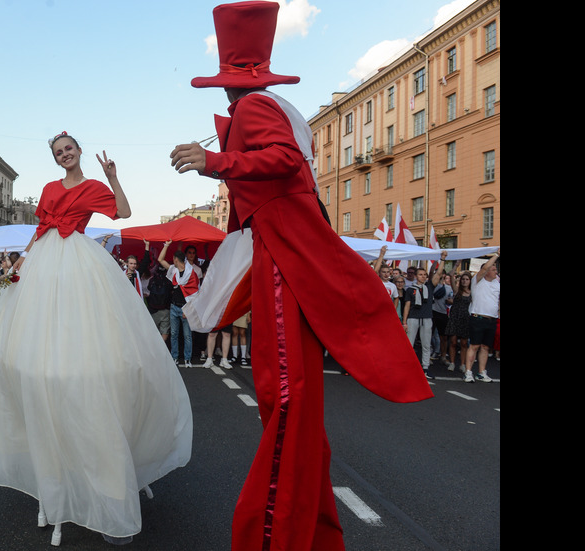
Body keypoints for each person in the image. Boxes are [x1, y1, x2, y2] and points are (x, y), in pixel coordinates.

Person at [170, 3, 432, 549]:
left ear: (228, 84)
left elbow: (284, 159)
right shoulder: (275, 106)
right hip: (287, 257)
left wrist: (213, 161)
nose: (222, 96)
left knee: (284, 399)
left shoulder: (252, 110)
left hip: (284, 263)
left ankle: (276, 534)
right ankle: (310, 533)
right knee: (293, 407)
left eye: (222, 84)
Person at [0, 132, 192, 546]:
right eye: (58, 152)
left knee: (94, 337)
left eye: (69, 149)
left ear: (78, 151)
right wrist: (17, 266)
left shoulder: (93, 186)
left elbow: (124, 211)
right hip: (45, 260)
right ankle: (59, 475)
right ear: (56, 159)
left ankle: (104, 465)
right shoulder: (48, 189)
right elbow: (40, 230)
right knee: (40, 348)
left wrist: (113, 177)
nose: (64, 155)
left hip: (79, 257)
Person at [401, 252, 447, 380]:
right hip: (413, 318)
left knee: (426, 344)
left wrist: (442, 259)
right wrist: (404, 322)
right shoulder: (410, 289)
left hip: (426, 318)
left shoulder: (429, 287)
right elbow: (407, 306)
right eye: (420, 275)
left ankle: (425, 368)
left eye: (424, 275)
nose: (423, 277)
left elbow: (438, 274)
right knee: (409, 344)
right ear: (416, 276)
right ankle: (407, 367)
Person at [157, 242, 201, 368]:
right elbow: (160, 259)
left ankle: (187, 359)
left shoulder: (191, 274)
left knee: (187, 335)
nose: (172, 261)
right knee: (174, 334)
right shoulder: (174, 270)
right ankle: (174, 357)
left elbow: (195, 294)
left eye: (173, 259)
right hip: (174, 307)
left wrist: (188, 310)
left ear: (176, 260)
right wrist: (165, 245)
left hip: (185, 309)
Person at [464, 252, 500, 383]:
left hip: (491, 319)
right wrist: (496, 255)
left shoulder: (497, 283)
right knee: (474, 345)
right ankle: (468, 372)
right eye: (493, 269)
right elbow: (484, 268)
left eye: (496, 269)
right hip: (477, 318)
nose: (496, 271)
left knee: (485, 347)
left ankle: (481, 372)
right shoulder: (477, 281)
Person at [445, 269, 472, 372]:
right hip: (455, 317)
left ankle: (462, 364)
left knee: (464, 343)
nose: (464, 281)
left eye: (467, 279)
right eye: (463, 279)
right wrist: (457, 264)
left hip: (465, 318)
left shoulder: (472, 293)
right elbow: (451, 276)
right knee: (453, 342)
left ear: (470, 281)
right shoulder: (457, 290)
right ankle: (452, 363)